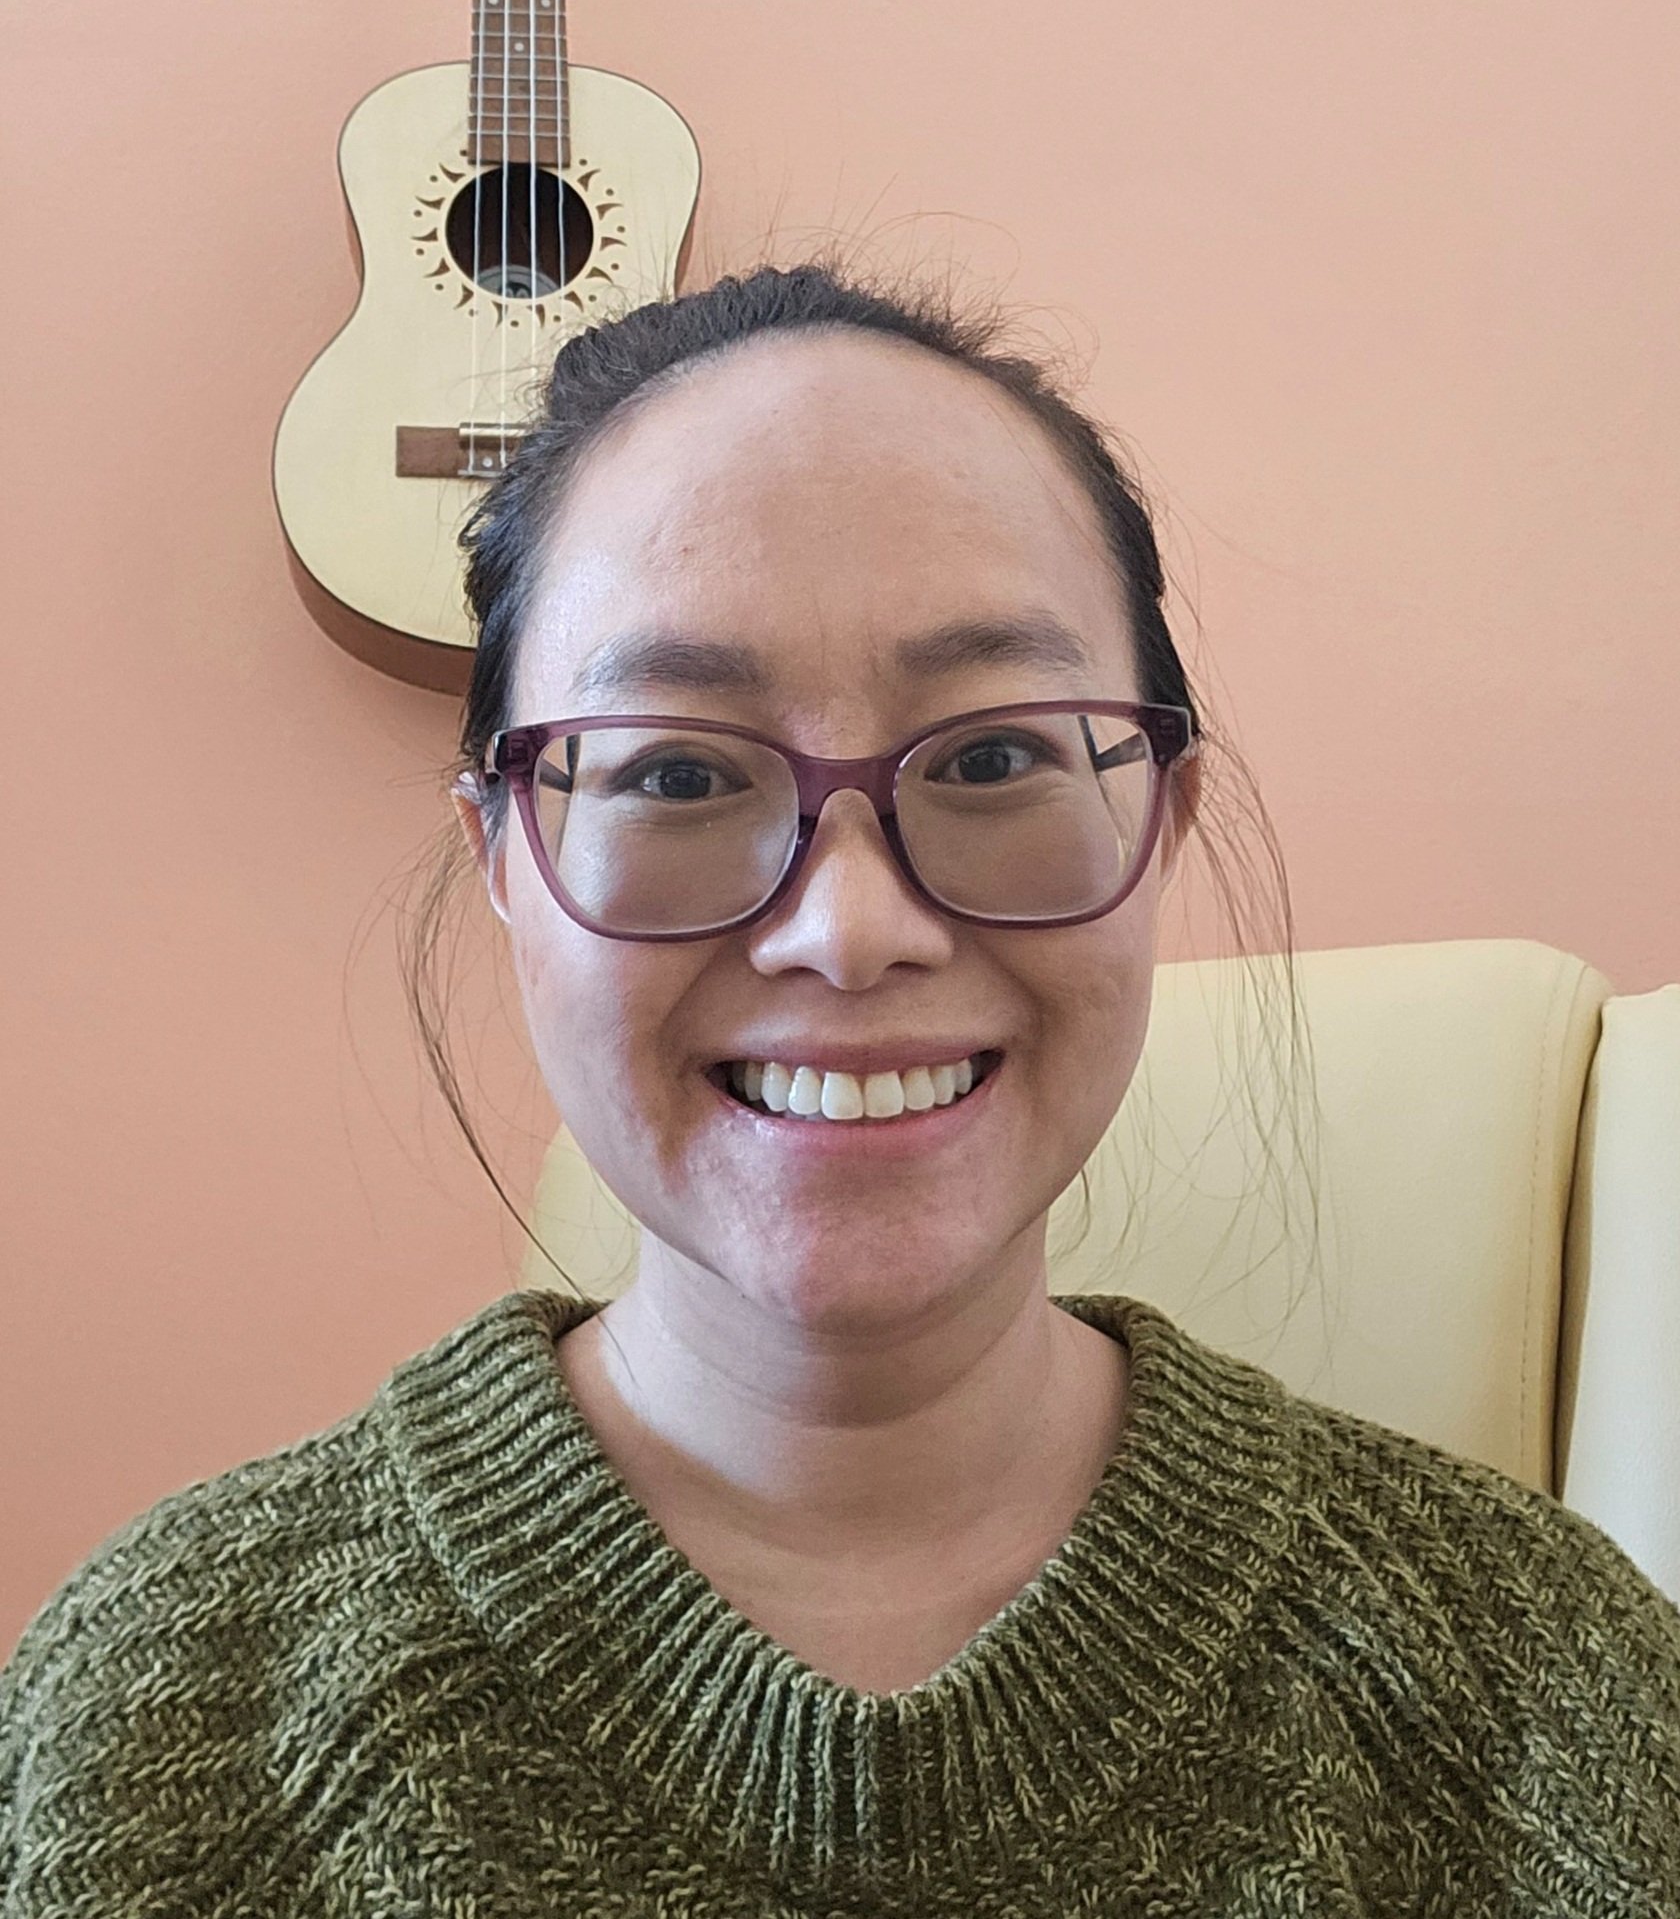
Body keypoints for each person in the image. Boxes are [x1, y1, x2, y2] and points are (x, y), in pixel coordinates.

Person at [3, 264, 1677, 1914]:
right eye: (672, 769)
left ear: (1157, 823)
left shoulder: (1547, 1687)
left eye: (997, 755)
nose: (851, 927)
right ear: (505, 857)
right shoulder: (163, 1727)